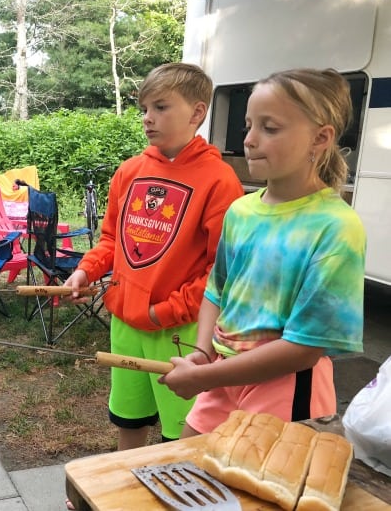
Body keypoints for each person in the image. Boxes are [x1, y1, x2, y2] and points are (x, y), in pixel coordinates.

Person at [159, 68, 366, 438]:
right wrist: (205, 353)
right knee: (185, 468)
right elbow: (215, 291)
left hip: (286, 385)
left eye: (270, 128)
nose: (251, 140)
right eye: (249, 126)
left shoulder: (336, 225)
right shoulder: (241, 211)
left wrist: (206, 374)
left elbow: (304, 349)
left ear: (320, 138)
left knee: (256, 493)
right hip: (224, 373)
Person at [65, 63, 243, 453]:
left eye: (161, 107)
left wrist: (164, 311)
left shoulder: (220, 179)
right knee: (129, 420)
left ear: (197, 112)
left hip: (178, 332)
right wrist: (85, 270)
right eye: (144, 108)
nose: (148, 118)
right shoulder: (129, 171)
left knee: (180, 438)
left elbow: (221, 272)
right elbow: (112, 239)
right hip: (125, 325)